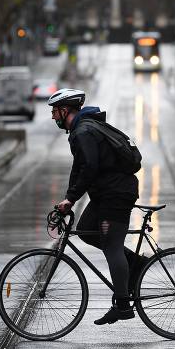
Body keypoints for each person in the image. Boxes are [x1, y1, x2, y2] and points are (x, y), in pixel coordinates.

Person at [49, 88, 146, 325]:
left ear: (66, 110)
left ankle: (123, 305)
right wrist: (68, 198)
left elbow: (90, 168)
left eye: (54, 111)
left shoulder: (84, 131)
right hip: (107, 193)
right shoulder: (83, 130)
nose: (53, 117)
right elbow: (79, 169)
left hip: (116, 194)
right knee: (85, 229)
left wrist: (71, 199)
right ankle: (136, 265)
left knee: (111, 245)